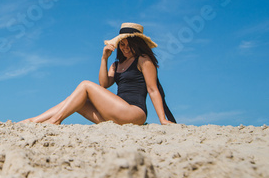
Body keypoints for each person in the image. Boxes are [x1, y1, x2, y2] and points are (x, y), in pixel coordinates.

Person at [19, 23, 176, 125]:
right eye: (122, 44)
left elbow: (153, 89)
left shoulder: (143, 60)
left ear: (138, 44)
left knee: (85, 85)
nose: (125, 48)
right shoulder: (117, 64)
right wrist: (104, 59)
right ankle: (34, 120)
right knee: (73, 101)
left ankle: (54, 121)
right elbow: (104, 84)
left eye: (129, 45)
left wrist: (162, 119)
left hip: (133, 112)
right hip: (115, 115)